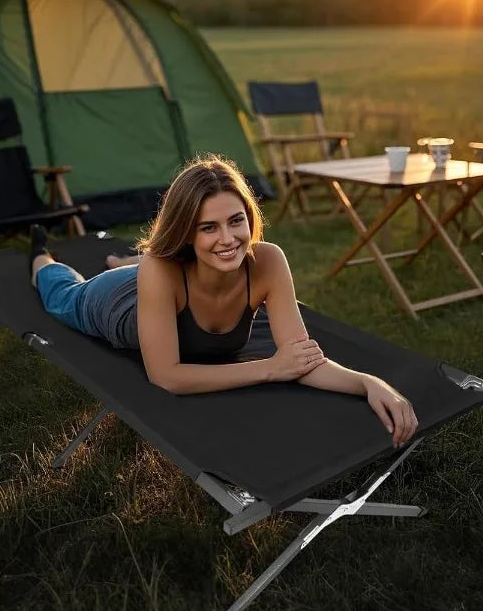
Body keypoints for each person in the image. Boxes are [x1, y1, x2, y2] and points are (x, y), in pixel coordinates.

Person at [30, 155, 417, 447]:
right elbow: (167, 376)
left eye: (236, 221)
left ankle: (125, 261)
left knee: (157, 263)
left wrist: (369, 383)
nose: (229, 238)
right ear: (187, 232)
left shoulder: (268, 260)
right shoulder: (161, 270)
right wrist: (270, 368)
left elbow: (300, 359)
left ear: (249, 217)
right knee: (61, 294)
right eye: (208, 227)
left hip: (173, 275)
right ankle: (43, 259)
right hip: (117, 302)